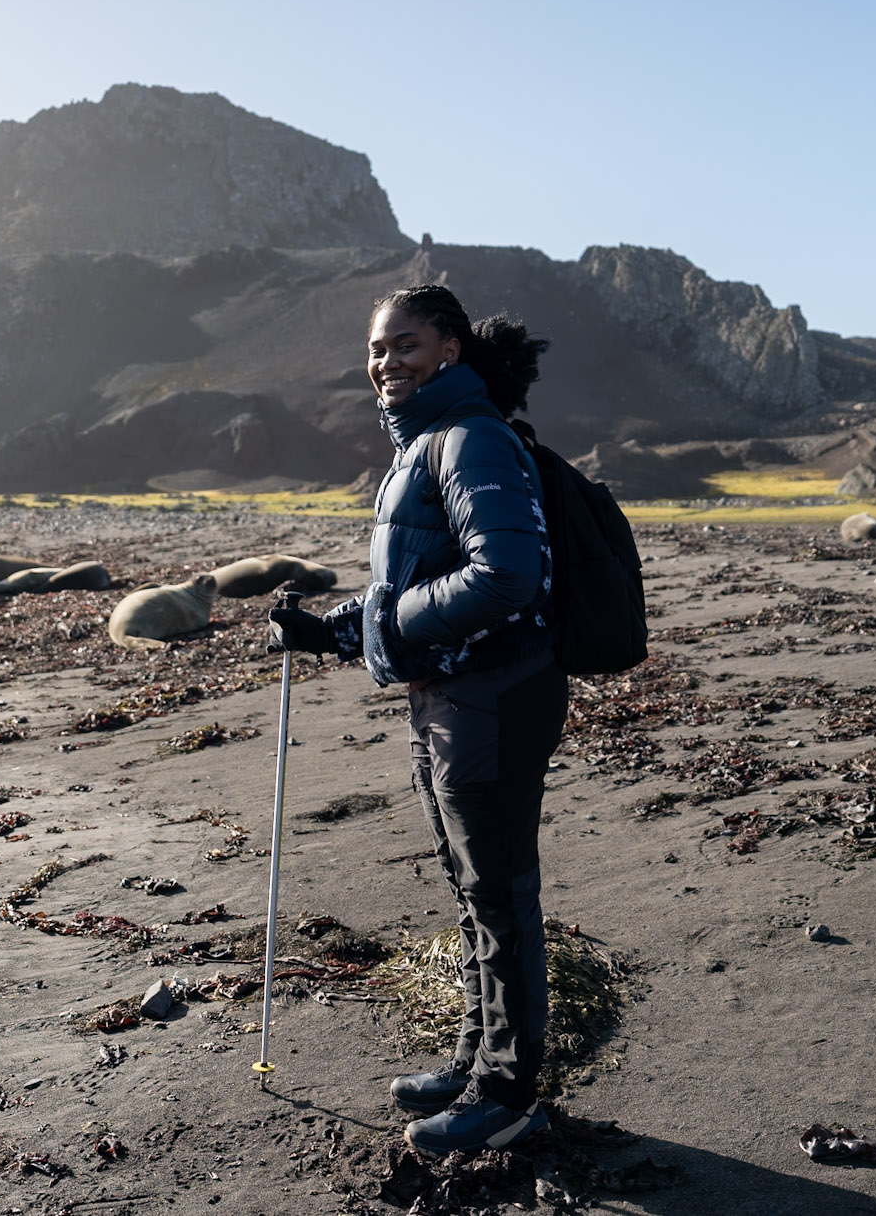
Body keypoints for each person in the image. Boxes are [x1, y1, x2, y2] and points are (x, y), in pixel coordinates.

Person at [269, 284, 566, 1155]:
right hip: (447, 697)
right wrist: (327, 628)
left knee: (502, 893)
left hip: (496, 696)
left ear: (450, 350)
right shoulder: (423, 446)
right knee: (471, 885)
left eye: (404, 344)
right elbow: (412, 587)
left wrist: (387, 626)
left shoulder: (472, 439)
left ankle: (508, 1094)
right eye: (376, 348)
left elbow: (508, 574)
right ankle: (479, 1057)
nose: (385, 362)